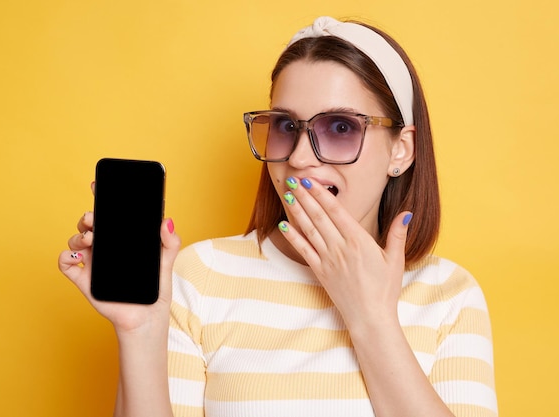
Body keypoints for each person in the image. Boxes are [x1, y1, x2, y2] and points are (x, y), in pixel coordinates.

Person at [59, 16, 497, 417]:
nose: (301, 158)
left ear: (401, 150)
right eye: (286, 127)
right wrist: (141, 332)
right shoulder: (199, 277)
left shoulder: (449, 297)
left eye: (341, 127)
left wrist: (371, 318)